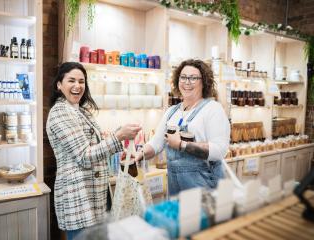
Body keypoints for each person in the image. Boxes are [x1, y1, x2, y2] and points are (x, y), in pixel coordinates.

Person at [46, 62, 141, 240]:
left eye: (82, 81)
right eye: (71, 80)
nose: (77, 86)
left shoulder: (81, 111)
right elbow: (84, 156)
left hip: (95, 195)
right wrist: (118, 137)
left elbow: (92, 145)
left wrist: (118, 137)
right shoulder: (59, 112)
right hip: (78, 195)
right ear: (59, 85)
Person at [135, 59, 230, 195]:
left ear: (204, 82)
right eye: (183, 77)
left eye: (193, 78)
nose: (187, 82)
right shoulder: (171, 112)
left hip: (204, 185)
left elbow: (220, 150)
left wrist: (182, 145)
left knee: (199, 216)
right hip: (175, 187)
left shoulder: (213, 109)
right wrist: (140, 153)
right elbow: (156, 143)